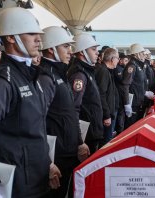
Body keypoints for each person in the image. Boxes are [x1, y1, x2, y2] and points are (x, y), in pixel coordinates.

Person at [0, 7, 61, 198]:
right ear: (10, 37)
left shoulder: (30, 76)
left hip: (36, 180)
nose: (38, 39)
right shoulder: (0, 83)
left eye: (38, 34)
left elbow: (34, 130)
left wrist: (47, 163)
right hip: (15, 187)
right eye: (31, 34)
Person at [40, 26, 89, 198]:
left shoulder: (60, 74)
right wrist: (47, 160)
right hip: (57, 153)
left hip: (67, 149)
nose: (70, 51)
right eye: (66, 47)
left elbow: (71, 112)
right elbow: (38, 120)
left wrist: (79, 141)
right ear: (52, 49)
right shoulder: (46, 77)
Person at [67, 33, 103, 154]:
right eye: (93, 49)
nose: (97, 52)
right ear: (82, 52)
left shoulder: (87, 71)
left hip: (91, 131)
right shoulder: (79, 74)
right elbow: (74, 107)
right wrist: (80, 140)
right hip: (86, 135)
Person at [122, 43, 154, 128]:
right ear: (137, 54)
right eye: (142, 52)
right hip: (133, 102)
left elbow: (138, 84)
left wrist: (145, 92)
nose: (144, 55)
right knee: (131, 127)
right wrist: (127, 104)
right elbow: (126, 85)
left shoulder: (139, 65)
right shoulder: (132, 66)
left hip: (139, 100)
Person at [95, 48, 119, 145]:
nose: (118, 60)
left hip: (109, 113)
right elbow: (101, 94)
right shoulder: (103, 71)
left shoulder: (106, 70)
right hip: (106, 115)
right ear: (112, 59)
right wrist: (107, 115)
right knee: (106, 143)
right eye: (117, 58)